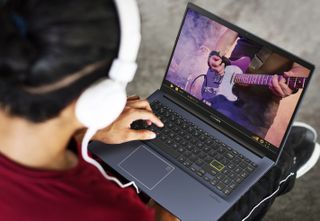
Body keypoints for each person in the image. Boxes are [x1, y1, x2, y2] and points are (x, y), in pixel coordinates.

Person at [0, 1, 318, 221]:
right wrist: (173, 196)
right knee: (268, 167)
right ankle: (285, 171)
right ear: (103, 97)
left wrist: (87, 132)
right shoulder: (113, 211)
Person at [207, 29, 310, 139]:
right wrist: (215, 55)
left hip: (256, 112)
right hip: (222, 88)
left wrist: (292, 77)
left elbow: (303, 66)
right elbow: (232, 31)